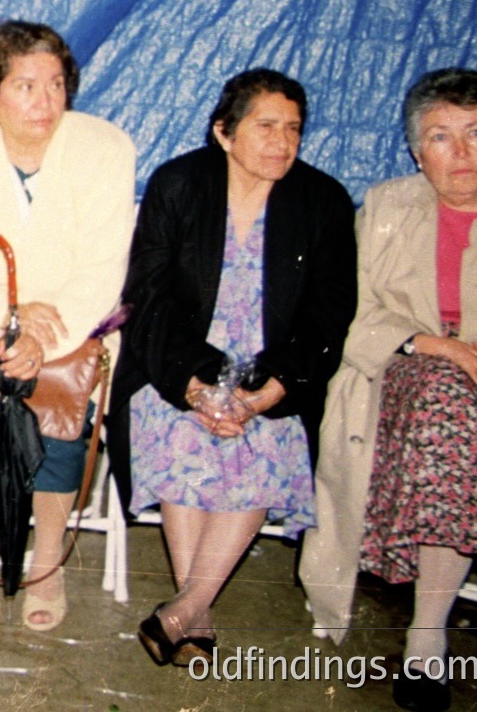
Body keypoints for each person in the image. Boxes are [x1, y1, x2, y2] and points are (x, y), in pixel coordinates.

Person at [108, 68, 356, 667]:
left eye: (293, 129)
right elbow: (148, 298)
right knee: (170, 428)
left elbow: (329, 318)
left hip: (273, 376)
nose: (281, 142)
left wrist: (269, 392)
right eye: (265, 126)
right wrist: (193, 388)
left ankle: (185, 606)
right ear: (224, 132)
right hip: (179, 364)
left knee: (268, 441)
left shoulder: (322, 200)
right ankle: (198, 608)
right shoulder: (180, 184)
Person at [301, 69, 477, 712]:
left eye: (476, 134)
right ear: (416, 152)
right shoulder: (390, 206)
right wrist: (437, 346)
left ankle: (427, 642)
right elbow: (347, 313)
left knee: (455, 443)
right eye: (440, 138)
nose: (460, 153)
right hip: (403, 378)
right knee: (443, 394)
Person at [0, 20, 135, 631]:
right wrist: (9, 318)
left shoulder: (106, 148)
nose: (43, 102)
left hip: (72, 336)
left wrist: (46, 337)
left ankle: (48, 559)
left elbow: (106, 265)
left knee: (58, 406)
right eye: (24, 85)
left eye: (55, 84)